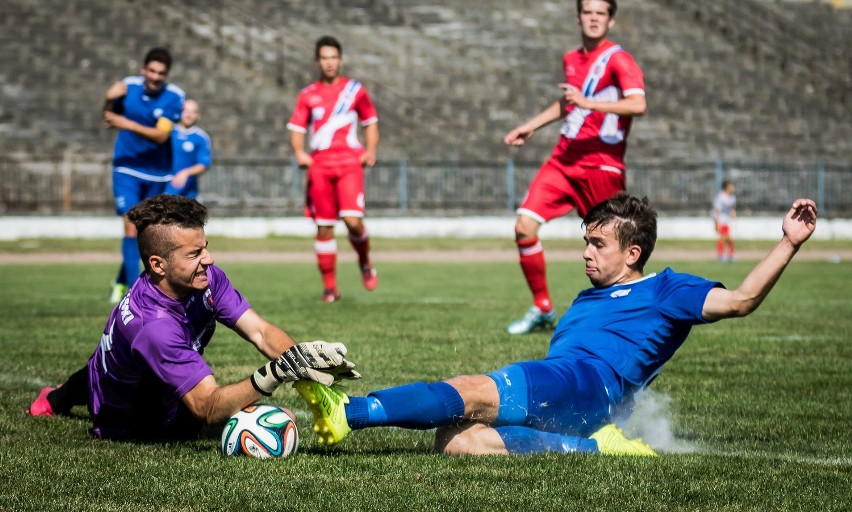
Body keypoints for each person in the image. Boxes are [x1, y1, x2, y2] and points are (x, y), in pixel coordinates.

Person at [295, 193, 817, 457]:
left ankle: (351, 412)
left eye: (598, 245)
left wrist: (789, 242)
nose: (586, 253)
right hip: (574, 396)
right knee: (456, 441)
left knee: (473, 390)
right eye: (586, 241)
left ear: (633, 253)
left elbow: (743, 299)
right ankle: (597, 448)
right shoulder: (591, 294)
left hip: (588, 383)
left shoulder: (666, 289)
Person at [27, 194, 359, 441]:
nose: (209, 259)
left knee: (94, 375)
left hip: (115, 370)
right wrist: (272, 374)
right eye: (195, 253)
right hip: (134, 420)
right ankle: (56, 399)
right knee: (278, 421)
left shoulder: (205, 278)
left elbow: (259, 331)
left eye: (205, 247)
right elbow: (206, 406)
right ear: (158, 264)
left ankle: (54, 399)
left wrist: (302, 366)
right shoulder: (153, 326)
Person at [503, 0, 647, 334]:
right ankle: (542, 308)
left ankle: (630, 310)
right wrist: (531, 125)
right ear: (578, 16)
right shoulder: (572, 58)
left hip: (602, 165)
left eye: (600, 13)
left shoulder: (618, 59)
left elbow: (637, 104)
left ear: (610, 20)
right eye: (587, 11)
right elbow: (569, 102)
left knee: (615, 244)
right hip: (564, 160)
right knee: (524, 226)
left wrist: (588, 102)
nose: (593, 17)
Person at [288, 35, 380, 303]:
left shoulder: (355, 90)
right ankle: (330, 288)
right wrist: (299, 153)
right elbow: (296, 127)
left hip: (350, 163)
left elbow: (370, 121)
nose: (329, 63)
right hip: (320, 165)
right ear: (318, 61)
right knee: (324, 227)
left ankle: (364, 260)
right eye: (324, 58)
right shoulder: (308, 94)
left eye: (333, 58)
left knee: (353, 221)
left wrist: (371, 149)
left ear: (340, 60)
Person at [105, 47, 186, 304]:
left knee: (148, 232)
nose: (155, 77)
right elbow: (109, 118)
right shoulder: (128, 87)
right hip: (126, 167)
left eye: (161, 73)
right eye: (151, 71)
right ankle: (132, 292)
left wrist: (126, 124)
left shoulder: (174, 97)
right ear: (143, 70)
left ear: (167, 75)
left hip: (158, 173)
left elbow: (161, 135)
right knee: (131, 224)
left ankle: (120, 280)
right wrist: (108, 99)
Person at [165, 99, 212, 200]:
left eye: (193, 112)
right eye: (186, 111)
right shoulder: (168, 132)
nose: (189, 115)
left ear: (198, 115)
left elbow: (203, 164)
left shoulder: (201, 138)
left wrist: (185, 173)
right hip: (164, 183)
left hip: (187, 189)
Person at [712, 179, 737, 262]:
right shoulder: (721, 197)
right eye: (731, 186)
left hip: (727, 220)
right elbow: (717, 210)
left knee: (727, 238)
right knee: (724, 238)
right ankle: (723, 255)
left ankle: (729, 254)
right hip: (721, 220)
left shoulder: (732, 198)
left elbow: (731, 209)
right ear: (727, 187)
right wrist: (717, 222)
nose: (733, 187)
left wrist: (733, 213)